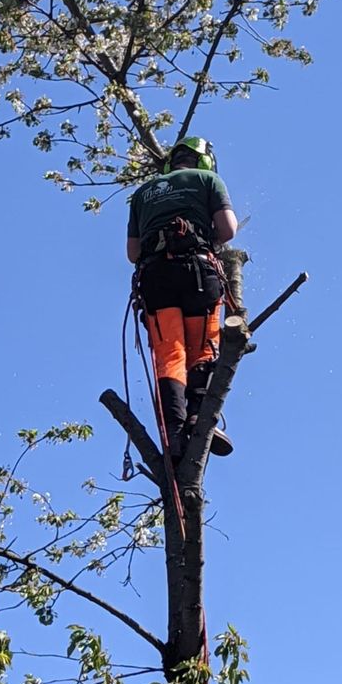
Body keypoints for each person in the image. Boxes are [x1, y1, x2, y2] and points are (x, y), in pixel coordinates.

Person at [127, 136, 238, 462]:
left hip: (156, 279)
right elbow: (228, 230)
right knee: (204, 346)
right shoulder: (209, 180)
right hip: (198, 273)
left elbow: (133, 253)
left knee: (169, 354)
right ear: (204, 161)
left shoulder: (142, 193)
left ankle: (174, 433)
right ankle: (198, 418)